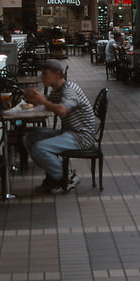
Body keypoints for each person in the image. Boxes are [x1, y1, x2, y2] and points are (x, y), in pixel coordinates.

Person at [22, 59, 97, 194]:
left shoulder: (69, 90)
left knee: (39, 148)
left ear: (57, 74)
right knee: (30, 138)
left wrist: (44, 101)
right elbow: (47, 107)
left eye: (45, 74)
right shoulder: (57, 90)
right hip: (69, 132)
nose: (42, 77)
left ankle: (67, 177)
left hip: (81, 136)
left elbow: (62, 110)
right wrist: (32, 98)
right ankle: (54, 175)